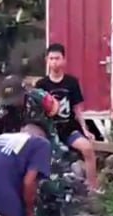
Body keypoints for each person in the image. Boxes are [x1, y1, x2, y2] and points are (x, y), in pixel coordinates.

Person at [36, 44, 101, 192]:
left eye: (57, 58)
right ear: (47, 60)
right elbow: (37, 111)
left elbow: (78, 109)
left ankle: (93, 187)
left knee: (87, 148)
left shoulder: (71, 82)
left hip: (69, 129)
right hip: (50, 130)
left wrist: (85, 129)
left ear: (64, 60)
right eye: (51, 59)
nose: (54, 62)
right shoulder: (41, 85)